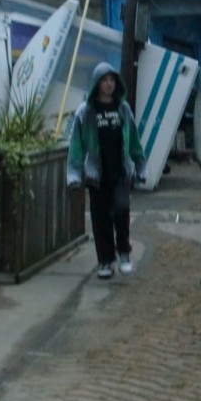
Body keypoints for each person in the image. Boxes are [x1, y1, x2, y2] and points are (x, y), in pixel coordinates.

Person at [67, 62, 147, 279]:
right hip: (97, 177)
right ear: (96, 83)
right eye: (104, 80)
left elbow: (134, 143)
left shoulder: (123, 109)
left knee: (122, 214)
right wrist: (73, 174)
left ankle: (124, 254)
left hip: (120, 174)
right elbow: (76, 146)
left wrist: (140, 167)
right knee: (100, 220)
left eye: (112, 80)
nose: (109, 84)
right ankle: (105, 261)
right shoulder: (86, 112)